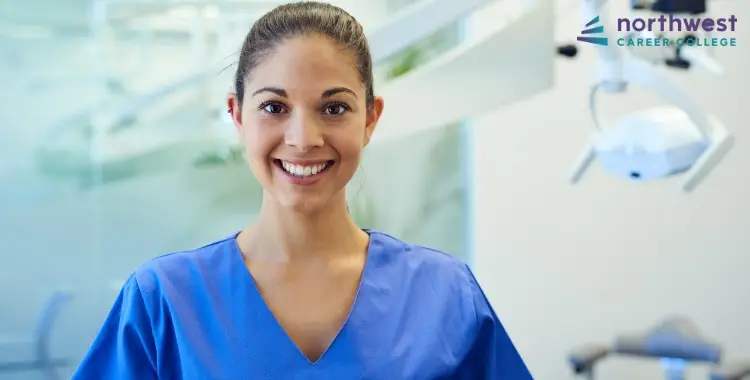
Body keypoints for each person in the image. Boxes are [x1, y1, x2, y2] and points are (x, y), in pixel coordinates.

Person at [72, 2, 532, 379]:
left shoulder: (445, 294)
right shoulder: (164, 302)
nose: (303, 138)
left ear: (370, 119)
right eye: (274, 106)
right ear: (236, 116)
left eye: (334, 108)